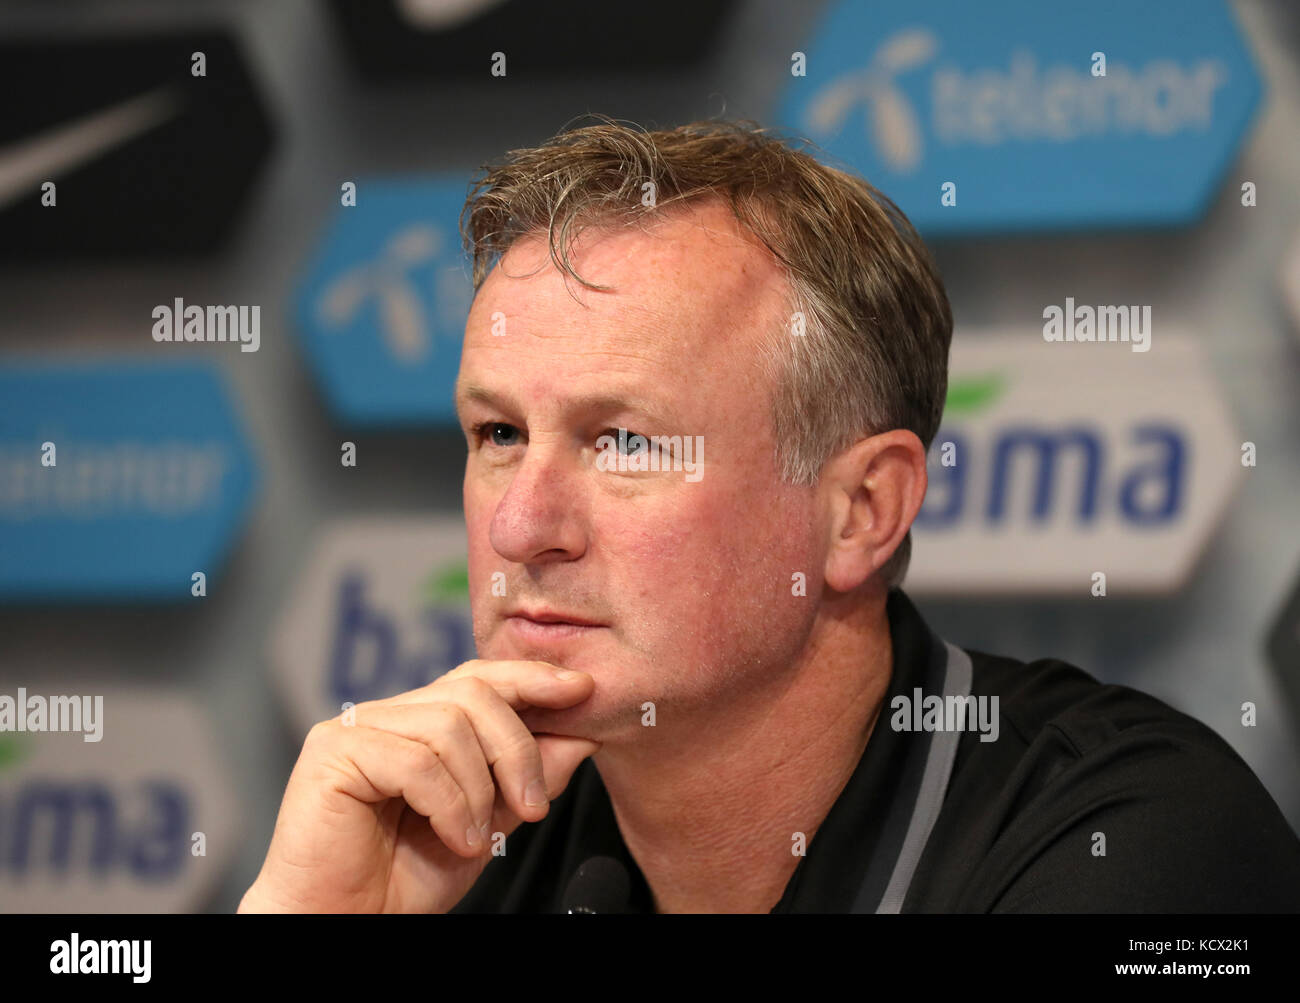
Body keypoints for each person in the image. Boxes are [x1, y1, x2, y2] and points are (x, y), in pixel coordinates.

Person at [240, 119, 1300, 914]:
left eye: (626, 442)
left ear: (859, 511)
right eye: (498, 434)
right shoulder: (441, 857)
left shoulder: (1134, 843)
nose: (521, 527)